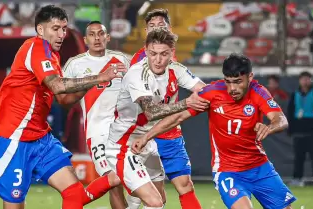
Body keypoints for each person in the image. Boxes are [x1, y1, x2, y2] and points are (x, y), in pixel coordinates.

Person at [0, 5, 126, 209]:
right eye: (55, 28)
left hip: (40, 138)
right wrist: (100, 76)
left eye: (64, 28)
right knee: (15, 204)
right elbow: (58, 86)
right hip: (14, 138)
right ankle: (114, 178)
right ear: (40, 30)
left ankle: (114, 177)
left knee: (74, 194)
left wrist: (96, 83)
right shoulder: (35, 47)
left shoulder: (52, 56)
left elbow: (63, 100)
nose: (61, 34)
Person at [132, 53, 297, 209]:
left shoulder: (258, 92)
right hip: (228, 171)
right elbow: (178, 117)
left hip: (261, 168)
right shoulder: (212, 93)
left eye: (238, 81)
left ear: (250, 77)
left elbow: (280, 119)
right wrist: (146, 137)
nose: (232, 88)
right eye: (228, 81)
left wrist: (269, 127)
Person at [106, 28, 208, 209]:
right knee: (153, 201)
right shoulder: (137, 74)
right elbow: (151, 112)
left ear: (171, 53)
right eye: (153, 54)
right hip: (124, 145)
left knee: (160, 197)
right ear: (145, 51)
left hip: (147, 141)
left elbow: (204, 90)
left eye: (163, 54)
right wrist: (187, 103)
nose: (158, 60)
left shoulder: (176, 70)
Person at [129, 8, 204, 209]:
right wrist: (186, 104)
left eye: (160, 26)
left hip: (169, 133)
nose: (156, 29)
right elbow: (147, 109)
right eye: (151, 26)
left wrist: (217, 93)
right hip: (142, 132)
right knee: (148, 197)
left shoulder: (173, 61)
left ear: (169, 29)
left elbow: (201, 88)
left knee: (185, 185)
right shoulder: (139, 63)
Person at [62, 20, 131, 209]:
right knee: (113, 181)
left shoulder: (123, 60)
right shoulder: (75, 64)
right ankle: (76, 201)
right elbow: (62, 98)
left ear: (108, 37)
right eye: (92, 34)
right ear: (85, 40)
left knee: (132, 181)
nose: (97, 38)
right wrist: (85, 86)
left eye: (101, 34)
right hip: (97, 131)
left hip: (124, 130)